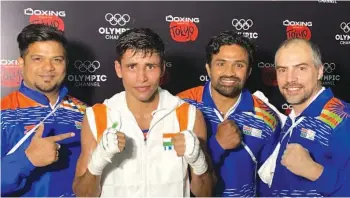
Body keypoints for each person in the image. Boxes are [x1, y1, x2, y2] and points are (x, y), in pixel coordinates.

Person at [72, 28, 215, 197]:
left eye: (150, 66)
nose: (142, 78)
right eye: (132, 66)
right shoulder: (98, 117)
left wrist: (198, 161)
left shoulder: (188, 115)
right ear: (118, 69)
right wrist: (97, 162)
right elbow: (83, 194)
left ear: (162, 68)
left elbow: (206, 193)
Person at [177, 30, 281, 197]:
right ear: (208, 69)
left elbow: (270, 183)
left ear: (248, 71)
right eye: (221, 63)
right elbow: (167, 169)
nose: (230, 72)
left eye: (239, 65)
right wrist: (217, 145)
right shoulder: (181, 105)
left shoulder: (266, 118)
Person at [1, 24, 87, 197]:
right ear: (21, 63)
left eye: (57, 59)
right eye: (38, 59)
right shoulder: (4, 112)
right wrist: (27, 160)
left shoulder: (85, 112)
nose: (48, 68)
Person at [258, 38, 350, 196]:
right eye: (282, 70)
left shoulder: (342, 119)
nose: (290, 79)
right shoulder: (292, 119)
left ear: (319, 71)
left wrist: (314, 171)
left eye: (301, 68)